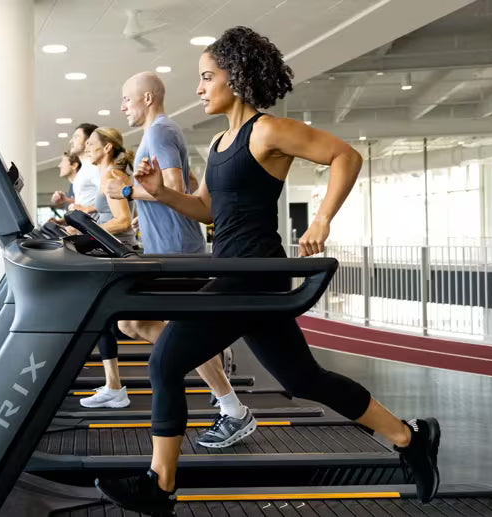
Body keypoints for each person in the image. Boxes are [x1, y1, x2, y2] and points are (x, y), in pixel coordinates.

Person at [95, 27, 441, 514]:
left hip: (253, 274)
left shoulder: (267, 130)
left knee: (166, 360)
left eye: (206, 77)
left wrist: (321, 218)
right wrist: (161, 190)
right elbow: (209, 212)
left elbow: (346, 155)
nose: (199, 88)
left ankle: (160, 485)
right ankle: (409, 437)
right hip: (239, 271)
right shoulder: (218, 143)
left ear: (234, 79)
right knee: (303, 379)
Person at [86, 72, 255, 452]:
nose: (122, 107)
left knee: (147, 325)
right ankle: (211, 361)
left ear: (147, 98)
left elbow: (174, 190)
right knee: (134, 322)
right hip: (170, 248)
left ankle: (233, 409)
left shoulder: (161, 131)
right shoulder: (159, 134)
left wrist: (127, 190)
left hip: (177, 252)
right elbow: (192, 187)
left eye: (127, 100)